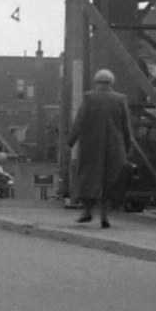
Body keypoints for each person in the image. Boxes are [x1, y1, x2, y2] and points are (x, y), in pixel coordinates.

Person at [67, 69, 131, 228]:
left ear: (96, 82)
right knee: (110, 180)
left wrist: (70, 141)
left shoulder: (89, 98)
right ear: (112, 82)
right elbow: (126, 125)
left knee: (87, 177)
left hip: (91, 144)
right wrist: (128, 145)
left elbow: (79, 121)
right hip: (114, 146)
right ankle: (104, 215)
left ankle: (87, 210)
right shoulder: (120, 99)